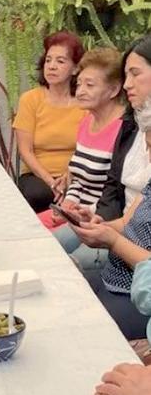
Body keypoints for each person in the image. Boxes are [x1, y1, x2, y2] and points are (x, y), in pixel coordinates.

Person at [56, 36, 151, 267]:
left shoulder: (119, 124)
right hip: (120, 223)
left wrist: (109, 233)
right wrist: (99, 221)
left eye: (135, 74)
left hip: (135, 240)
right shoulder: (132, 125)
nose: (127, 84)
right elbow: (113, 185)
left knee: (70, 265)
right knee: (48, 244)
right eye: (126, 75)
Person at [69, 95, 151, 340]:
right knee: (61, 289)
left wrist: (113, 241)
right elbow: (126, 223)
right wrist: (97, 223)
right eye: (147, 146)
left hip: (138, 296)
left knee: (78, 329)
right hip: (114, 276)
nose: (148, 156)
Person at [44, 48, 124, 267]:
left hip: (105, 221)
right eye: (78, 84)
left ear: (114, 89)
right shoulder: (86, 121)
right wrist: (68, 204)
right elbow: (78, 177)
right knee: (44, 248)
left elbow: (116, 194)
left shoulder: (124, 130)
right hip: (80, 217)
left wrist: (84, 214)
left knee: (71, 265)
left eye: (90, 85)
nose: (80, 91)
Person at [13, 31, 86, 212]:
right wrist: (50, 181)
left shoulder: (85, 103)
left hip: (77, 176)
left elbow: (90, 148)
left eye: (60, 61)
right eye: (48, 60)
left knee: (85, 195)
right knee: (39, 194)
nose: (52, 66)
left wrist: (68, 177)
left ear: (75, 69)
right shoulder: (30, 99)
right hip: (37, 176)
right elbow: (25, 150)